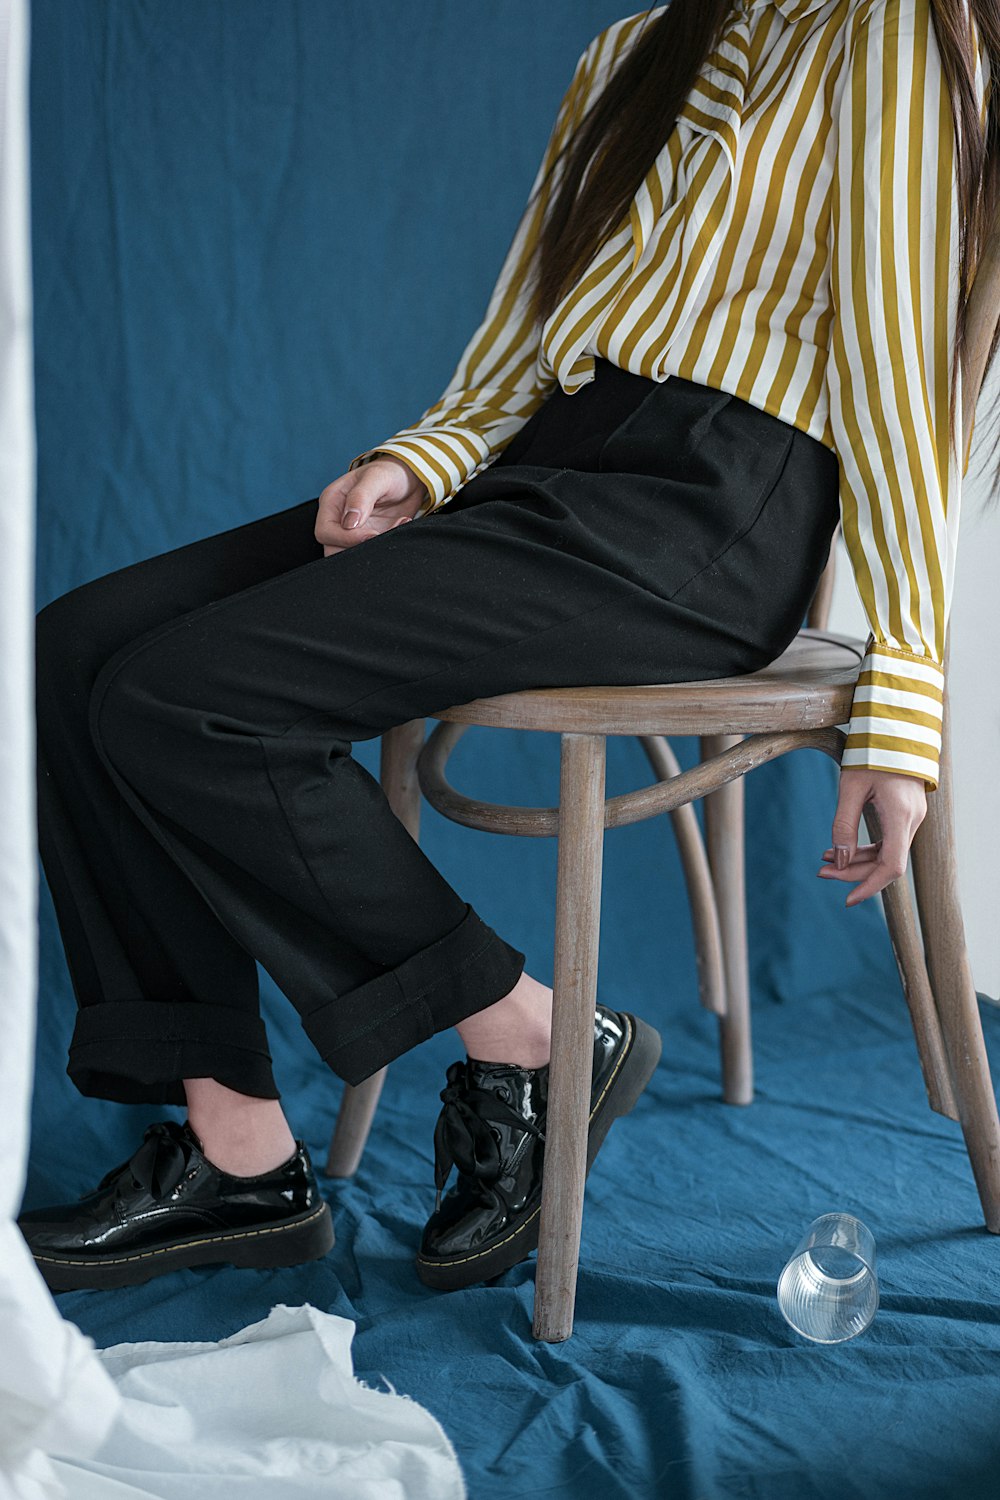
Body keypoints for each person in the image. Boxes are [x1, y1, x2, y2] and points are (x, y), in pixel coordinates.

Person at [18, 0, 996, 1295]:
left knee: (183, 700)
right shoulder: (631, 51)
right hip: (557, 468)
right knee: (81, 646)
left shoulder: (877, 29)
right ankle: (239, 1151)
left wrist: (904, 700)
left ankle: (526, 1032)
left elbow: (896, 363)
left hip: (709, 509)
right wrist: (421, 459)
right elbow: (529, 335)